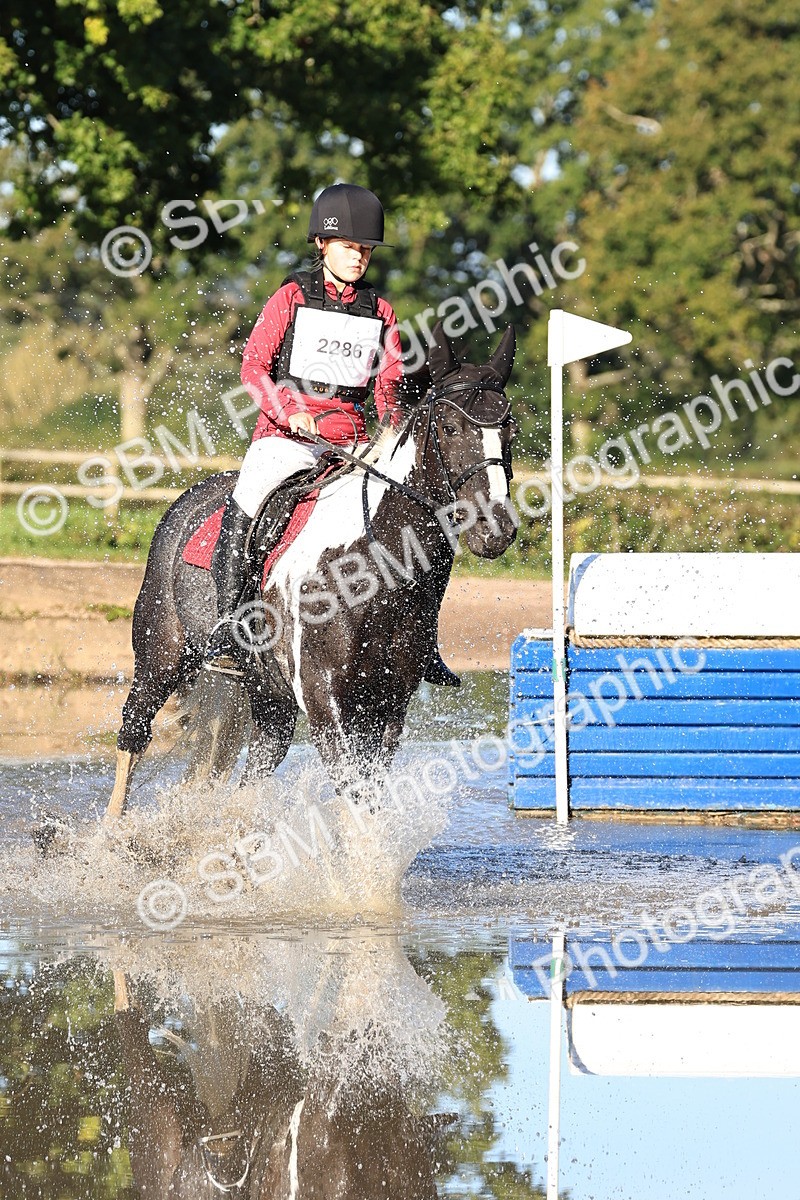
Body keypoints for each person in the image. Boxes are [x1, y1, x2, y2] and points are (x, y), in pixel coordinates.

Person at [205, 183, 460, 686]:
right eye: (350, 247)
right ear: (322, 244)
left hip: (352, 441)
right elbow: (253, 367)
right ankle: (229, 629)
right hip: (286, 437)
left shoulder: (381, 311)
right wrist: (288, 412)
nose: (359, 257)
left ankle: (422, 640)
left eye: (365, 250)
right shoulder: (292, 297)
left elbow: (387, 384)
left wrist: (391, 426)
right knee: (250, 501)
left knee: (420, 518)